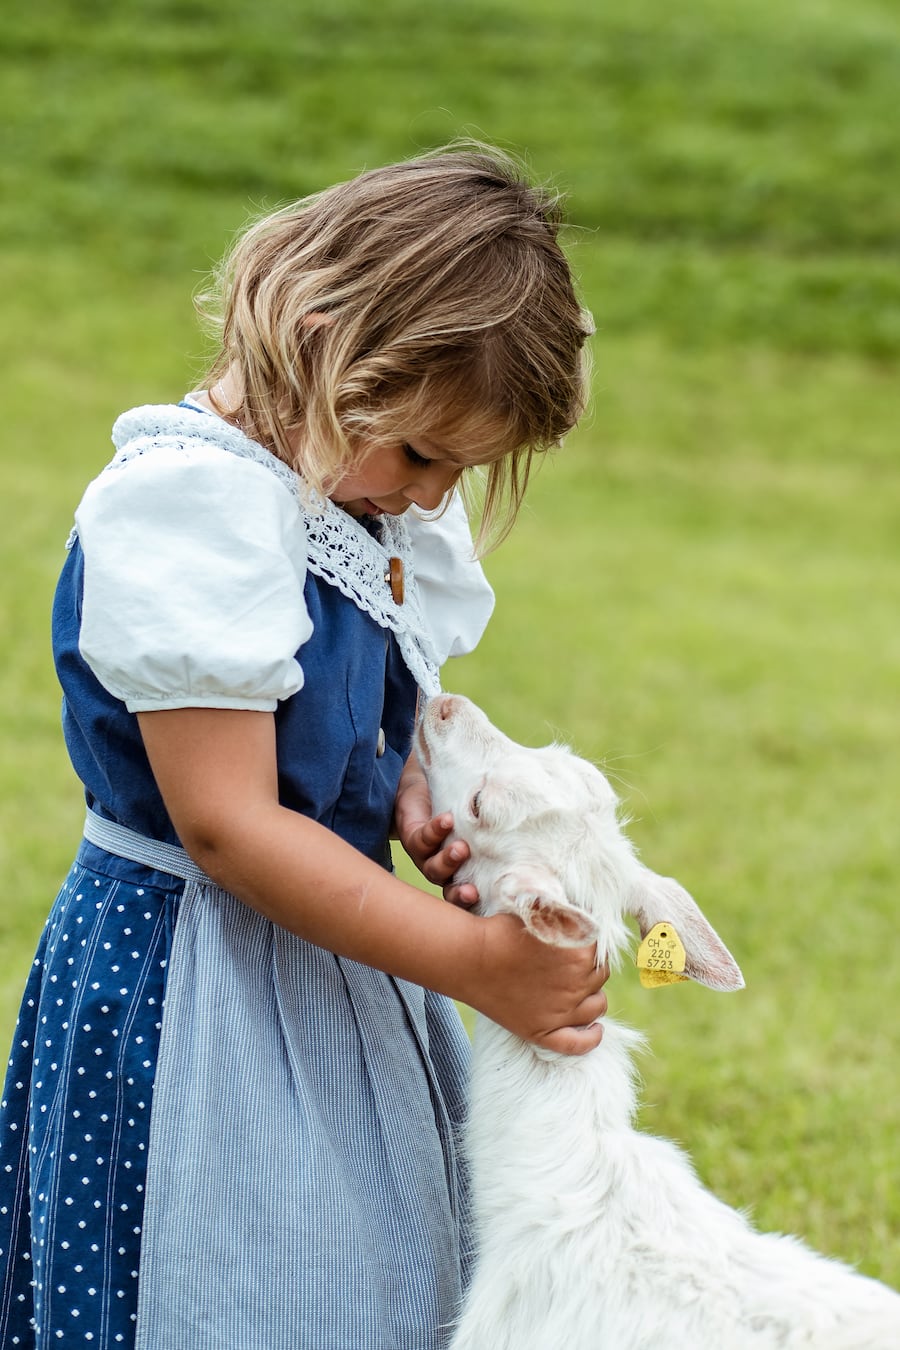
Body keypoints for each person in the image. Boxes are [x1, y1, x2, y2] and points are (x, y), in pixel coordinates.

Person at [0, 144, 607, 1350]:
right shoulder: (195, 507)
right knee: (217, 1275)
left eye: (460, 470)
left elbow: (335, 715)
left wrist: (403, 788)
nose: (433, 500)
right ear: (324, 338)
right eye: (424, 456)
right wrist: (472, 963)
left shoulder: (348, 504)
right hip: (194, 981)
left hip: (334, 960)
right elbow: (229, 823)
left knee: (359, 1270)